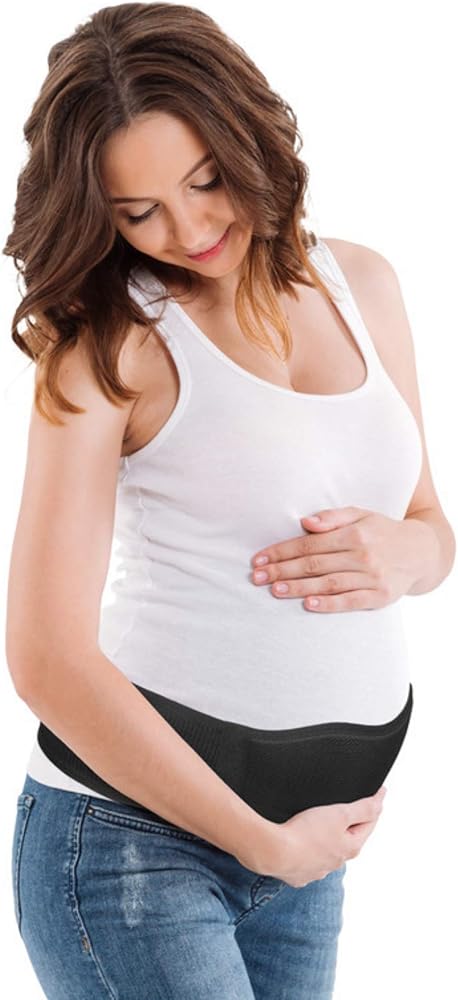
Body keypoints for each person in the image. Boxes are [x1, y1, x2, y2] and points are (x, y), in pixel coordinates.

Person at [4, 4, 455, 999]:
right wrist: (258, 840)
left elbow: (430, 526)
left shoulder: (363, 284)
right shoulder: (110, 347)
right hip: (133, 847)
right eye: (139, 212)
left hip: (309, 856)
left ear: (250, 135)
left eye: (206, 180)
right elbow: (43, 656)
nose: (191, 229)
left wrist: (405, 554)